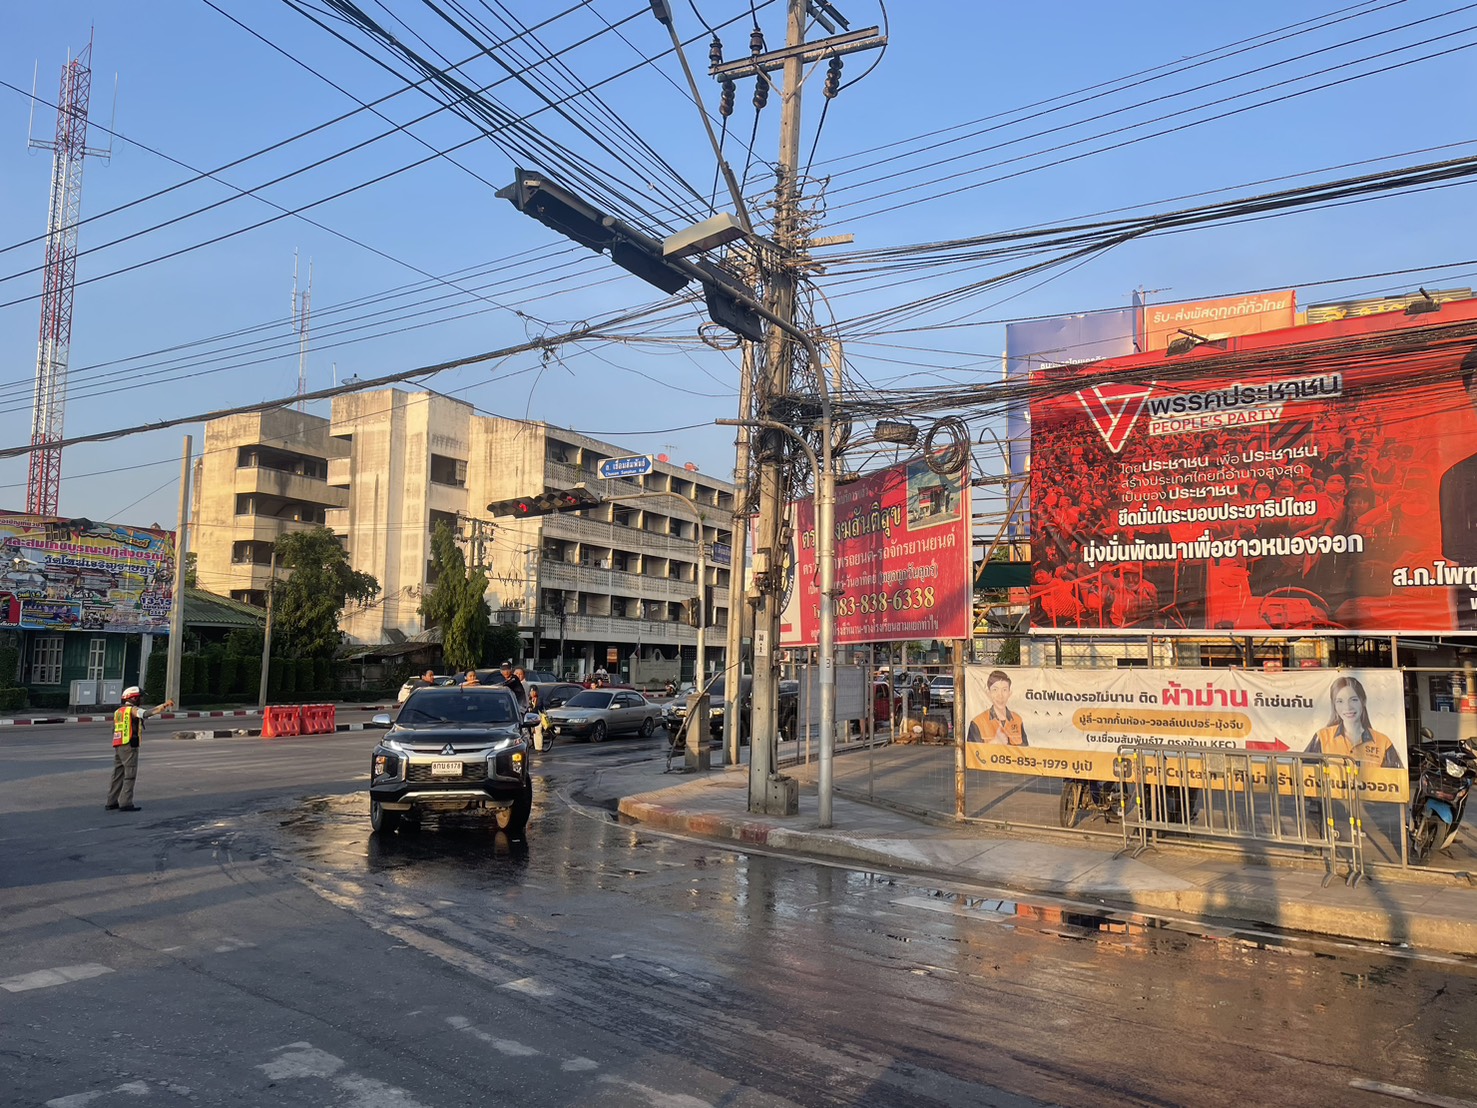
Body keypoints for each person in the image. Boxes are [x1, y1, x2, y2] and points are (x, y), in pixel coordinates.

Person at [1305, 675, 1401, 768]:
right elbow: (1305, 771)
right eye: (1340, 701)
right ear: (1334, 705)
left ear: (1363, 701)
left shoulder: (1383, 742)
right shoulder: (1322, 738)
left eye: (1354, 700)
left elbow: (1395, 776)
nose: (1348, 707)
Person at [105, 685, 174, 811]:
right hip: (129, 745)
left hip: (118, 744)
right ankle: (126, 803)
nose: (142, 700)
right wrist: (164, 706)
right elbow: (146, 714)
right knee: (130, 774)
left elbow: (113, 729)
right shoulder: (132, 710)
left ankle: (111, 801)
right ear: (134, 698)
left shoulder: (118, 711)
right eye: (140, 697)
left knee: (117, 774)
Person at [967, 670, 1028, 746]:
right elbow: (972, 752)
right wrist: (995, 742)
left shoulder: (1017, 720)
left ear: (1009, 693)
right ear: (989, 693)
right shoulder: (977, 723)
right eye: (995, 690)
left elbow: (1025, 751)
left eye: (1004, 690)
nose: (1000, 695)